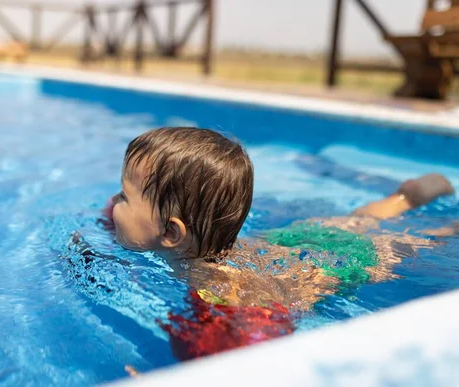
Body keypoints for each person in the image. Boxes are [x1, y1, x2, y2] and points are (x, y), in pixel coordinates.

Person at [72, 127, 456, 361]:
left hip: (347, 260)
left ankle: (439, 222)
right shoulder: (197, 250)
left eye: (123, 197)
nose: (114, 202)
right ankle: (403, 200)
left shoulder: (217, 295)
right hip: (286, 244)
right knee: (357, 220)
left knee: (412, 240)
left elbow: (258, 345)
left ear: (171, 234)